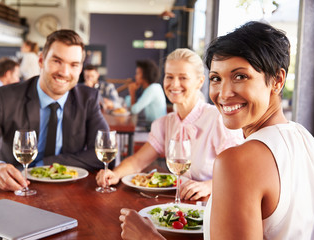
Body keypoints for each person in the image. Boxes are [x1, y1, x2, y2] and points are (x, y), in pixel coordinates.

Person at [119, 21, 314, 240]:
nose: (223, 94)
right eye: (216, 78)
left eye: (240, 76)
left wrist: (147, 237)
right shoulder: (307, 141)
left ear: (277, 81)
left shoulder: (237, 161)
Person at [0, 29, 110, 192]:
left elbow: (104, 153)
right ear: (41, 60)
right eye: (57, 61)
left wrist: (48, 163)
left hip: (70, 191)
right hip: (14, 190)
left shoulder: (88, 99)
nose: (65, 72)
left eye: (74, 65)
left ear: (80, 69)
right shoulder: (6, 97)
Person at [96, 48, 243, 200]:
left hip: (216, 204)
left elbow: (240, 173)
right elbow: (138, 161)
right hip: (182, 204)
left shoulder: (218, 119)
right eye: (169, 77)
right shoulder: (165, 123)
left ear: (200, 82)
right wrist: (114, 174)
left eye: (183, 77)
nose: (174, 84)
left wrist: (208, 186)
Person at [125, 60, 167, 126]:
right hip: (152, 127)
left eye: (138, 73)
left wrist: (132, 92)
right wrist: (131, 93)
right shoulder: (150, 88)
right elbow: (129, 105)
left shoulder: (153, 89)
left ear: (146, 75)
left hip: (157, 129)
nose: (135, 76)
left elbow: (134, 110)